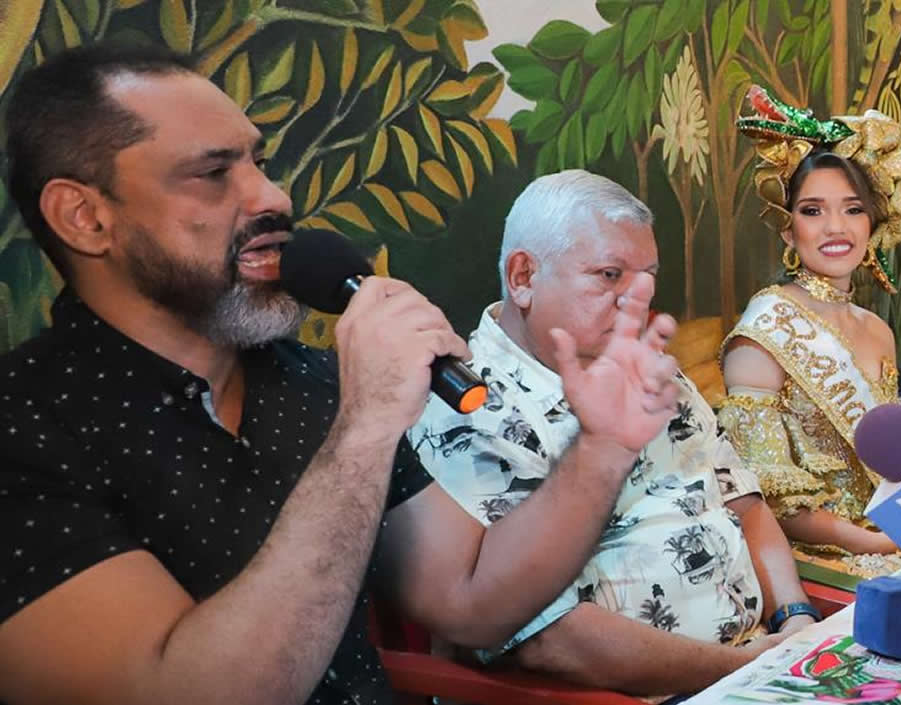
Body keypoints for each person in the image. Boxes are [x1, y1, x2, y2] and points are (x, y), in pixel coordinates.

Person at [0, 45, 680, 705]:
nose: (272, 196)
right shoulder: (25, 424)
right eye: (213, 173)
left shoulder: (312, 383)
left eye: (259, 162)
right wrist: (365, 428)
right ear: (85, 217)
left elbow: (473, 600)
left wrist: (602, 449)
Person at [409, 169, 819, 697]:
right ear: (524, 278)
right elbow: (548, 640)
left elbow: (744, 502)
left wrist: (796, 618)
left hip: (756, 666)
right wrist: (735, 669)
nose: (637, 299)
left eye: (646, 276)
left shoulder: (650, 368)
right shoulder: (465, 408)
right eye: (608, 275)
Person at [713, 86, 901, 575]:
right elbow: (765, 497)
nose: (836, 227)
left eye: (853, 209)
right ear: (788, 228)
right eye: (813, 211)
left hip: (892, 531)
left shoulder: (877, 330)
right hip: (820, 558)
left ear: (874, 222)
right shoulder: (762, 333)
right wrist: (884, 544)